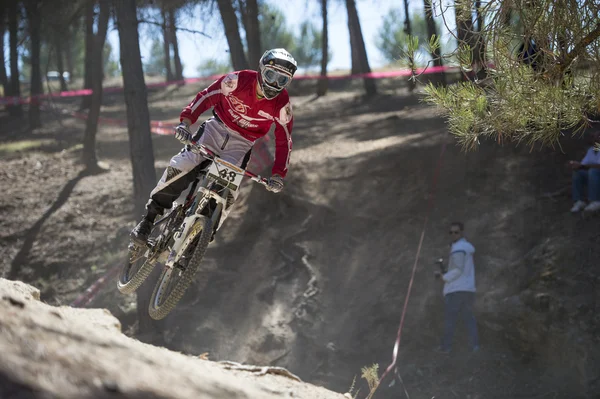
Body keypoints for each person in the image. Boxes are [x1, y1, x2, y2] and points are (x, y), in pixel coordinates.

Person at [130, 48, 297, 244]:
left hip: (241, 144)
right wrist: (186, 122)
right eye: (271, 75)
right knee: (184, 165)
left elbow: (284, 140)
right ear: (261, 70)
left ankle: (198, 240)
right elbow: (207, 96)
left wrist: (278, 174)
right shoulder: (237, 80)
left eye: (282, 80)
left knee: (227, 192)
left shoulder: (282, 104)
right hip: (215, 129)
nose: (275, 84)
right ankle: (148, 221)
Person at [435, 222, 479, 354]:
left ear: (462, 233)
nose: (453, 234)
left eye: (456, 232)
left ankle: (446, 348)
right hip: (467, 290)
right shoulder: (465, 248)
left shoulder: (459, 248)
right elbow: (459, 269)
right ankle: (475, 346)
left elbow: (457, 270)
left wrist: (443, 277)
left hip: (456, 290)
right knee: (468, 318)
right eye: (451, 232)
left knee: (450, 320)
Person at [569, 130, 600, 213]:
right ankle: (579, 201)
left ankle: (595, 200)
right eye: (594, 137)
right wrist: (576, 165)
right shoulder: (591, 150)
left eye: (597, 136)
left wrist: (582, 166)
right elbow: (583, 165)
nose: (595, 139)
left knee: (593, 171)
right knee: (578, 173)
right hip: (594, 176)